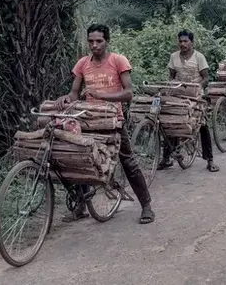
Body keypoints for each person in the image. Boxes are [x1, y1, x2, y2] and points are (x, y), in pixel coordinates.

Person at [55, 23, 155, 224]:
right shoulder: (83, 64)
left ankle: (146, 206)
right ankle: (82, 205)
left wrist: (101, 95)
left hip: (113, 121)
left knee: (128, 162)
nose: (94, 45)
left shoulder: (117, 61)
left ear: (107, 41)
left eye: (99, 41)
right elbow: (74, 93)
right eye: (91, 41)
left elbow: (128, 93)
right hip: (89, 120)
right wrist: (66, 98)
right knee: (81, 160)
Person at [158, 30, 220, 173]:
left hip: (196, 95)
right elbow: (172, 77)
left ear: (192, 42)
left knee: (203, 125)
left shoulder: (199, 57)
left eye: (186, 41)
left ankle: (210, 160)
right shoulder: (174, 57)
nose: (183, 44)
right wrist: (170, 87)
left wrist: (197, 87)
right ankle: (166, 158)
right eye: (180, 41)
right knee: (169, 121)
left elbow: (205, 78)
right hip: (178, 95)